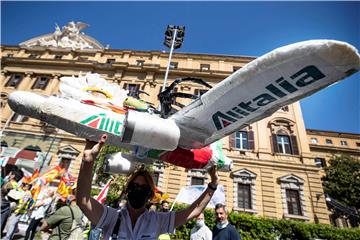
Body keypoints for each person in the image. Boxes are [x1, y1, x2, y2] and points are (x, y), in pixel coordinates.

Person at [76, 134, 219, 240]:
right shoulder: (111, 217)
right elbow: (83, 201)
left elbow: (192, 212)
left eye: (144, 188)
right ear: (127, 190)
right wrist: (88, 162)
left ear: (150, 195)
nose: (138, 190)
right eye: (135, 185)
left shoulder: (157, 221)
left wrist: (212, 185)